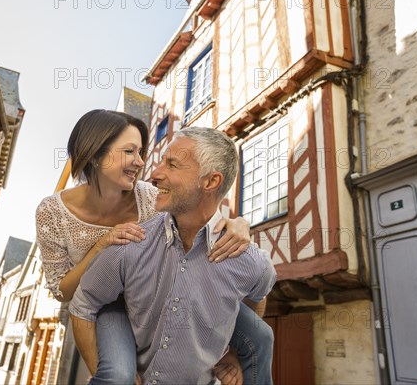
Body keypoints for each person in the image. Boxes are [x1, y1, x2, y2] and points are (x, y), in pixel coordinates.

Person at [36, 110, 272, 384]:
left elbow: (196, 212)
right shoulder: (52, 211)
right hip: (112, 303)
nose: (141, 163)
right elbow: (63, 292)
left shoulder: (148, 196)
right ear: (96, 154)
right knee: (119, 375)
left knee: (261, 335)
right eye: (130, 151)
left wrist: (238, 223)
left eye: (141, 152)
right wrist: (100, 247)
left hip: (160, 289)